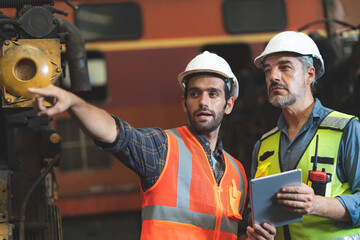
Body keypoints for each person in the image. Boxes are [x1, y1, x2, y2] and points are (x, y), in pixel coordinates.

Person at [28, 51, 275, 240]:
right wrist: (73, 103)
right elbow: (114, 132)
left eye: (213, 94)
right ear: (184, 102)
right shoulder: (162, 149)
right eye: (195, 94)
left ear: (228, 104)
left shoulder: (238, 172)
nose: (203, 102)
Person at [251, 31, 360, 239]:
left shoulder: (347, 130)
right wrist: (260, 231)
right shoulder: (263, 146)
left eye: (284, 67)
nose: (272, 76)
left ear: (309, 75)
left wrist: (317, 204)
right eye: (267, 70)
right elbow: (255, 213)